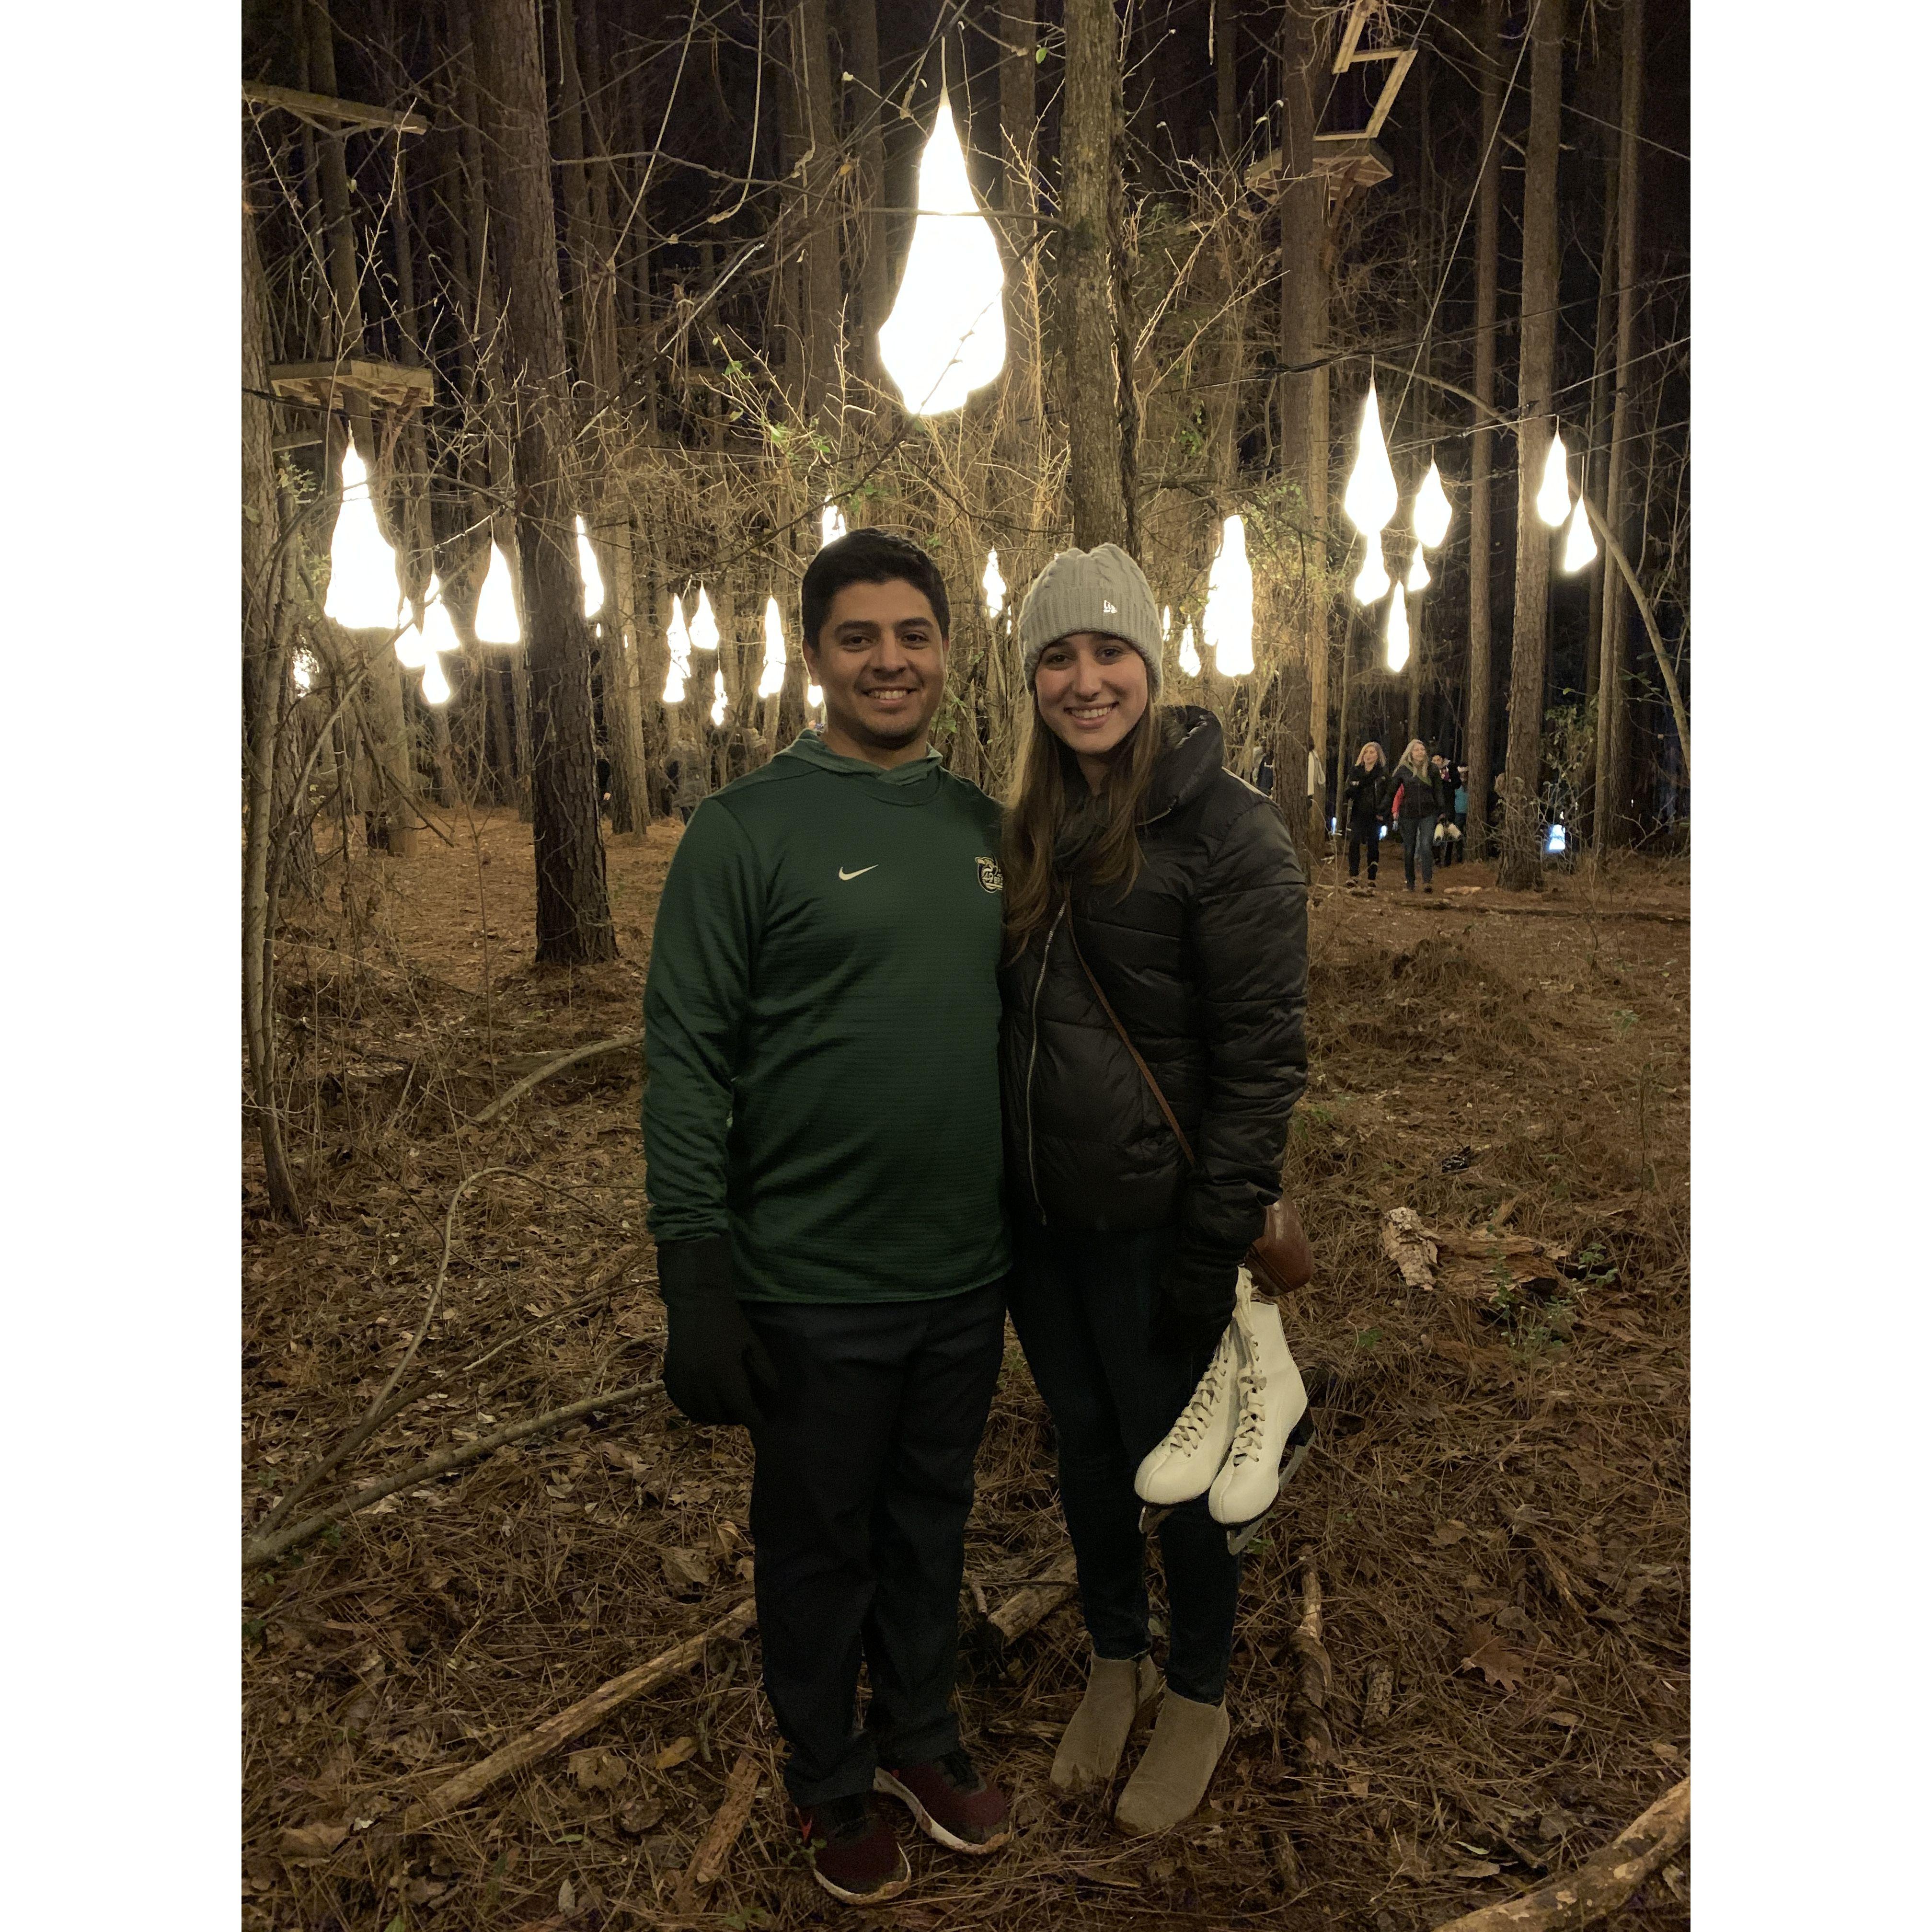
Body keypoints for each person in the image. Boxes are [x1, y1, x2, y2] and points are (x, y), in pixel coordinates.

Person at [642, 529, 1012, 1906]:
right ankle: (827, 1776)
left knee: (931, 1521)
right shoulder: (746, 833)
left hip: (964, 1274)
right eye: (859, 637)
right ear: (815, 656)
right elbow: (686, 1057)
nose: (889, 660)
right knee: (817, 1544)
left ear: (944, 651)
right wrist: (696, 1271)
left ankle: (920, 1734)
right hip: (809, 1279)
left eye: (912, 634)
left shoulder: (985, 829)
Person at [996, 544, 1308, 1837]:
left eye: (1107, 652)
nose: (1085, 680)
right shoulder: (1019, 828)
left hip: (1155, 1234)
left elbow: (1262, 1063)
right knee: (1083, 1455)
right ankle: (1115, 1658)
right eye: (1058, 658)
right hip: (1036, 1232)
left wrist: (1209, 1244)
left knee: (1182, 1477)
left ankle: (1198, 1691)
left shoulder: (1227, 830)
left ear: (1150, 664)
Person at [1391, 737, 1447, 893]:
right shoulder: (1403, 770)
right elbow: (1392, 792)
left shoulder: (1432, 770)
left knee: (1426, 846)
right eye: (1417, 750)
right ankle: (1410, 881)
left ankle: (1427, 881)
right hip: (1408, 814)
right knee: (1409, 849)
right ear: (1411, 753)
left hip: (1428, 813)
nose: (1420, 752)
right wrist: (1386, 810)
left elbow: (1438, 791)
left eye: (1422, 750)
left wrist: (1442, 810)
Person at [1342, 741, 1390, 888]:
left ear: (1378, 755)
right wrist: (1355, 787)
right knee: (1354, 843)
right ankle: (1353, 875)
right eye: (1366, 752)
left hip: (1375, 814)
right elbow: (1348, 792)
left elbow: (1388, 795)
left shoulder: (1382, 774)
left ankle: (1372, 877)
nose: (1369, 755)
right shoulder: (1356, 771)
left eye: (1372, 752)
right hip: (1358, 813)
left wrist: (1383, 812)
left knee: (1373, 845)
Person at [665, 734, 709, 824]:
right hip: (700, 788)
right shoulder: (700, 749)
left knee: (688, 819)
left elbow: (668, 765)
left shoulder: (677, 750)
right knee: (699, 818)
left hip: (684, 788)